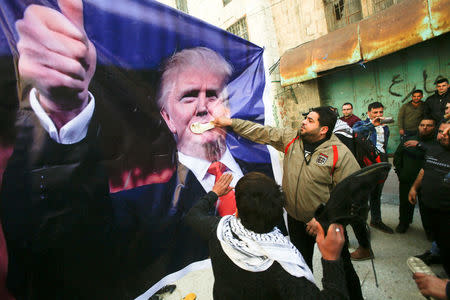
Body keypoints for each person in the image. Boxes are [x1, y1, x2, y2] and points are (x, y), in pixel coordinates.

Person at [1, 1, 274, 299]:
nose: (203, 108)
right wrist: (63, 112)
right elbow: (55, 245)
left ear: (230, 106)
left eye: (214, 95)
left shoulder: (264, 165)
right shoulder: (139, 206)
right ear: (166, 118)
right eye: (188, 96)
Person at [214, 107, 363, 300]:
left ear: (324, 129)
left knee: (342, 268)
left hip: (326, 224)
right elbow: (261, 132)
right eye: (305, 118)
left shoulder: (339, 153)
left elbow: (351, 194)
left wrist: (323, 219)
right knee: (299, 268)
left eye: (310, 120)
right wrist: (231, 123)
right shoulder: (291, 139)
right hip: (295, 219)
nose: (303, 122)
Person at [186, 172, 349, 300]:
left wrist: (214, 193)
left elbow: (193, 215)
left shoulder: (218, 231)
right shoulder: (285, 272)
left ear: (237, 209)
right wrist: (331, 259)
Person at [408, 120, 450, 276]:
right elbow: (424, 170)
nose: (443, 136)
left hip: (447, 210)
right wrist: (414, 188)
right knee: (439, 240)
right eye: (441, 132)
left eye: (448, 133)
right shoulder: (433, 149)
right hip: (430, 205)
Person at [352, 102, 393, 234]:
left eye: (380, 112)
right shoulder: (362, 124)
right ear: (369, 113)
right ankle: (361, 226)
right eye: (375, 112)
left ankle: (376, 220)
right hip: (367, 164)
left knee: (377, 193)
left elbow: (383, 145)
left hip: (381, 162)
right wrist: (371, 125)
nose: (378, 115)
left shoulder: (385, 127)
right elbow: (355, 132)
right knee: (363, 195)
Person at [393, 118, 435, 233]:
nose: (425, 127)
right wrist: (400, 173)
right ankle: (404, 223)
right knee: (405, 203)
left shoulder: (436, 142)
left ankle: (429, 230)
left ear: (434, 127)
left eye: (429, 125)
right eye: (422, 125)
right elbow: (397, 157)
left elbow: (436, 154)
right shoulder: (409, 140)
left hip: (427, 181)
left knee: (426, 207)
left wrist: (420, 145)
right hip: (407, 178)